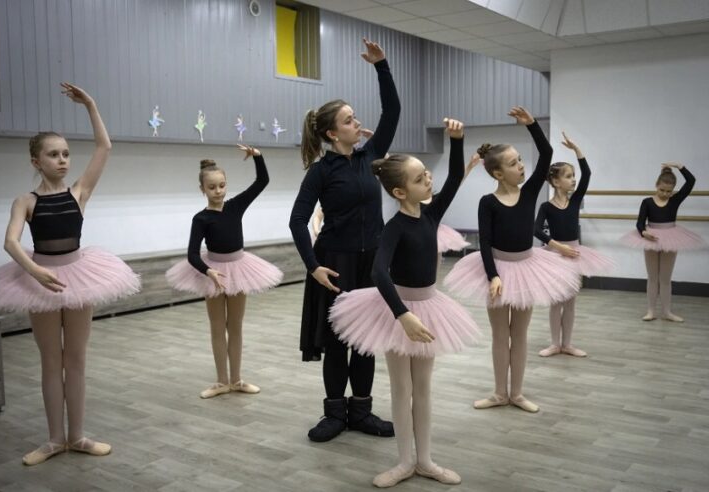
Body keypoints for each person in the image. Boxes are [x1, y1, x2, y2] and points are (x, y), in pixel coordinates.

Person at [0, 83, 140, 465]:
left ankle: (77, 436)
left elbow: (104, 148)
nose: (62, 160)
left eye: (65, 153)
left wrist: (91, 105)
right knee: (51, 360)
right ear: (36, 162)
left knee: (76, 359)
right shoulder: (25, 201)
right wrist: (35, 272)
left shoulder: (79, 192)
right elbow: (11, 242)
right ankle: (53, 439)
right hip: (39, 280)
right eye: (53, 154)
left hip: (78, 275)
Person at [330, 118, 479, 487]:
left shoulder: (431, 214)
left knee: (423, 389)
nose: (428, 179)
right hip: (396, 311)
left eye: (427, 174)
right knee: (401, 388)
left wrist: (456, 140)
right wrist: (403, 316)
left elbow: (455, 176)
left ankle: (425, 460)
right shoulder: (394, 227)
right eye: (419, 178)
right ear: (399, 192)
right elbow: (379, 274)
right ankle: (402, 462)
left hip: (428, 308)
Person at [289, 38, 400, 442]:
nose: (358, 123)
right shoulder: (321, 171)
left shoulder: (372, 158)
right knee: (337, 344)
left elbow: (393, 112)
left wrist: (382, 67)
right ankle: (335, 414)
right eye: (350, 120)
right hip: (334, 263)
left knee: (366, 343)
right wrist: (313, 266)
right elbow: (298, 221)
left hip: (371, 262)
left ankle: (362, 412)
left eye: (356, 118)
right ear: (334, 133)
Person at [444, 107, 580, 413]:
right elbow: (486, 243)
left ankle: (516, 393)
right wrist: (493, 276)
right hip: (496, 272)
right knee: (499, 335)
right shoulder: (488, 202)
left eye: (520, 161)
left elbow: (545, 154)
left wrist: (531, 125)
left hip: (527, 269)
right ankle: (498, 392)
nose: (521, 166)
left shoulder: (530, 191)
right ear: (497, 173)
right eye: (514, 163)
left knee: (519, 335)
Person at [166, 145, 283, 398]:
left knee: (236, 326)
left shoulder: (235, 206)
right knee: (217, 327)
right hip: (213, 273)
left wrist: (258, 157)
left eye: (221, 185)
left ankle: (237, 379)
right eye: (212, 187)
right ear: (202, 190)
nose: (218, 191)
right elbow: (192, 254)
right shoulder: (201, 219)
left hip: (239, 268)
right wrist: (208, 272)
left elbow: (262, 181)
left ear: (226, 184)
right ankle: (221, 382)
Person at [534, 132, 614, 357]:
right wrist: (558, 247)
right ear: (556, 181)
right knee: (555, 301)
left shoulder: (575, 200)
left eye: (573, 176)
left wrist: (577, 150)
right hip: (556, 254)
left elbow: (587, 174)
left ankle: (567, 344)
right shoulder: (546, 207)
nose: (573, 179)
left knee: (570, 301)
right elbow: (536, 230)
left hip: (575, 253)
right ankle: (554, 343)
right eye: (569, 176)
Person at [620, 163, 703, 322]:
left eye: (669, 191)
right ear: (656, 186)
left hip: (671, 236)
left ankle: (667, 311)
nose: (665, 194)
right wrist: (644, 232)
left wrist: (680, 166)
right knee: (652, 277)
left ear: (673, 190)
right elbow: (639, 223)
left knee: (665, 278)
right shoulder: (647, 202)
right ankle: (651, 311)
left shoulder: (675, 200)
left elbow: (691, 181)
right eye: (662, 190)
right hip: (650, 238)